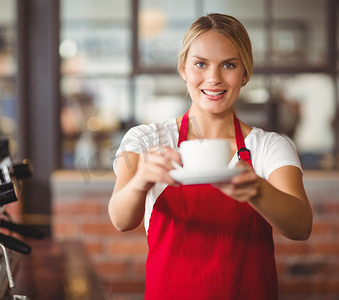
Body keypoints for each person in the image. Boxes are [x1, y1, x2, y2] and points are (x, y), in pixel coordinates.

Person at [108, 13, 312, 300]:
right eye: (200, 64)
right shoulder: (145, 140)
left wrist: (257, 189)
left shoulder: (270, 147)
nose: (213, 78)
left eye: (228, 64)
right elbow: (120, 219)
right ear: (183, 70)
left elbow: (301, 227)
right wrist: (141, 178)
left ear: (245, 73)